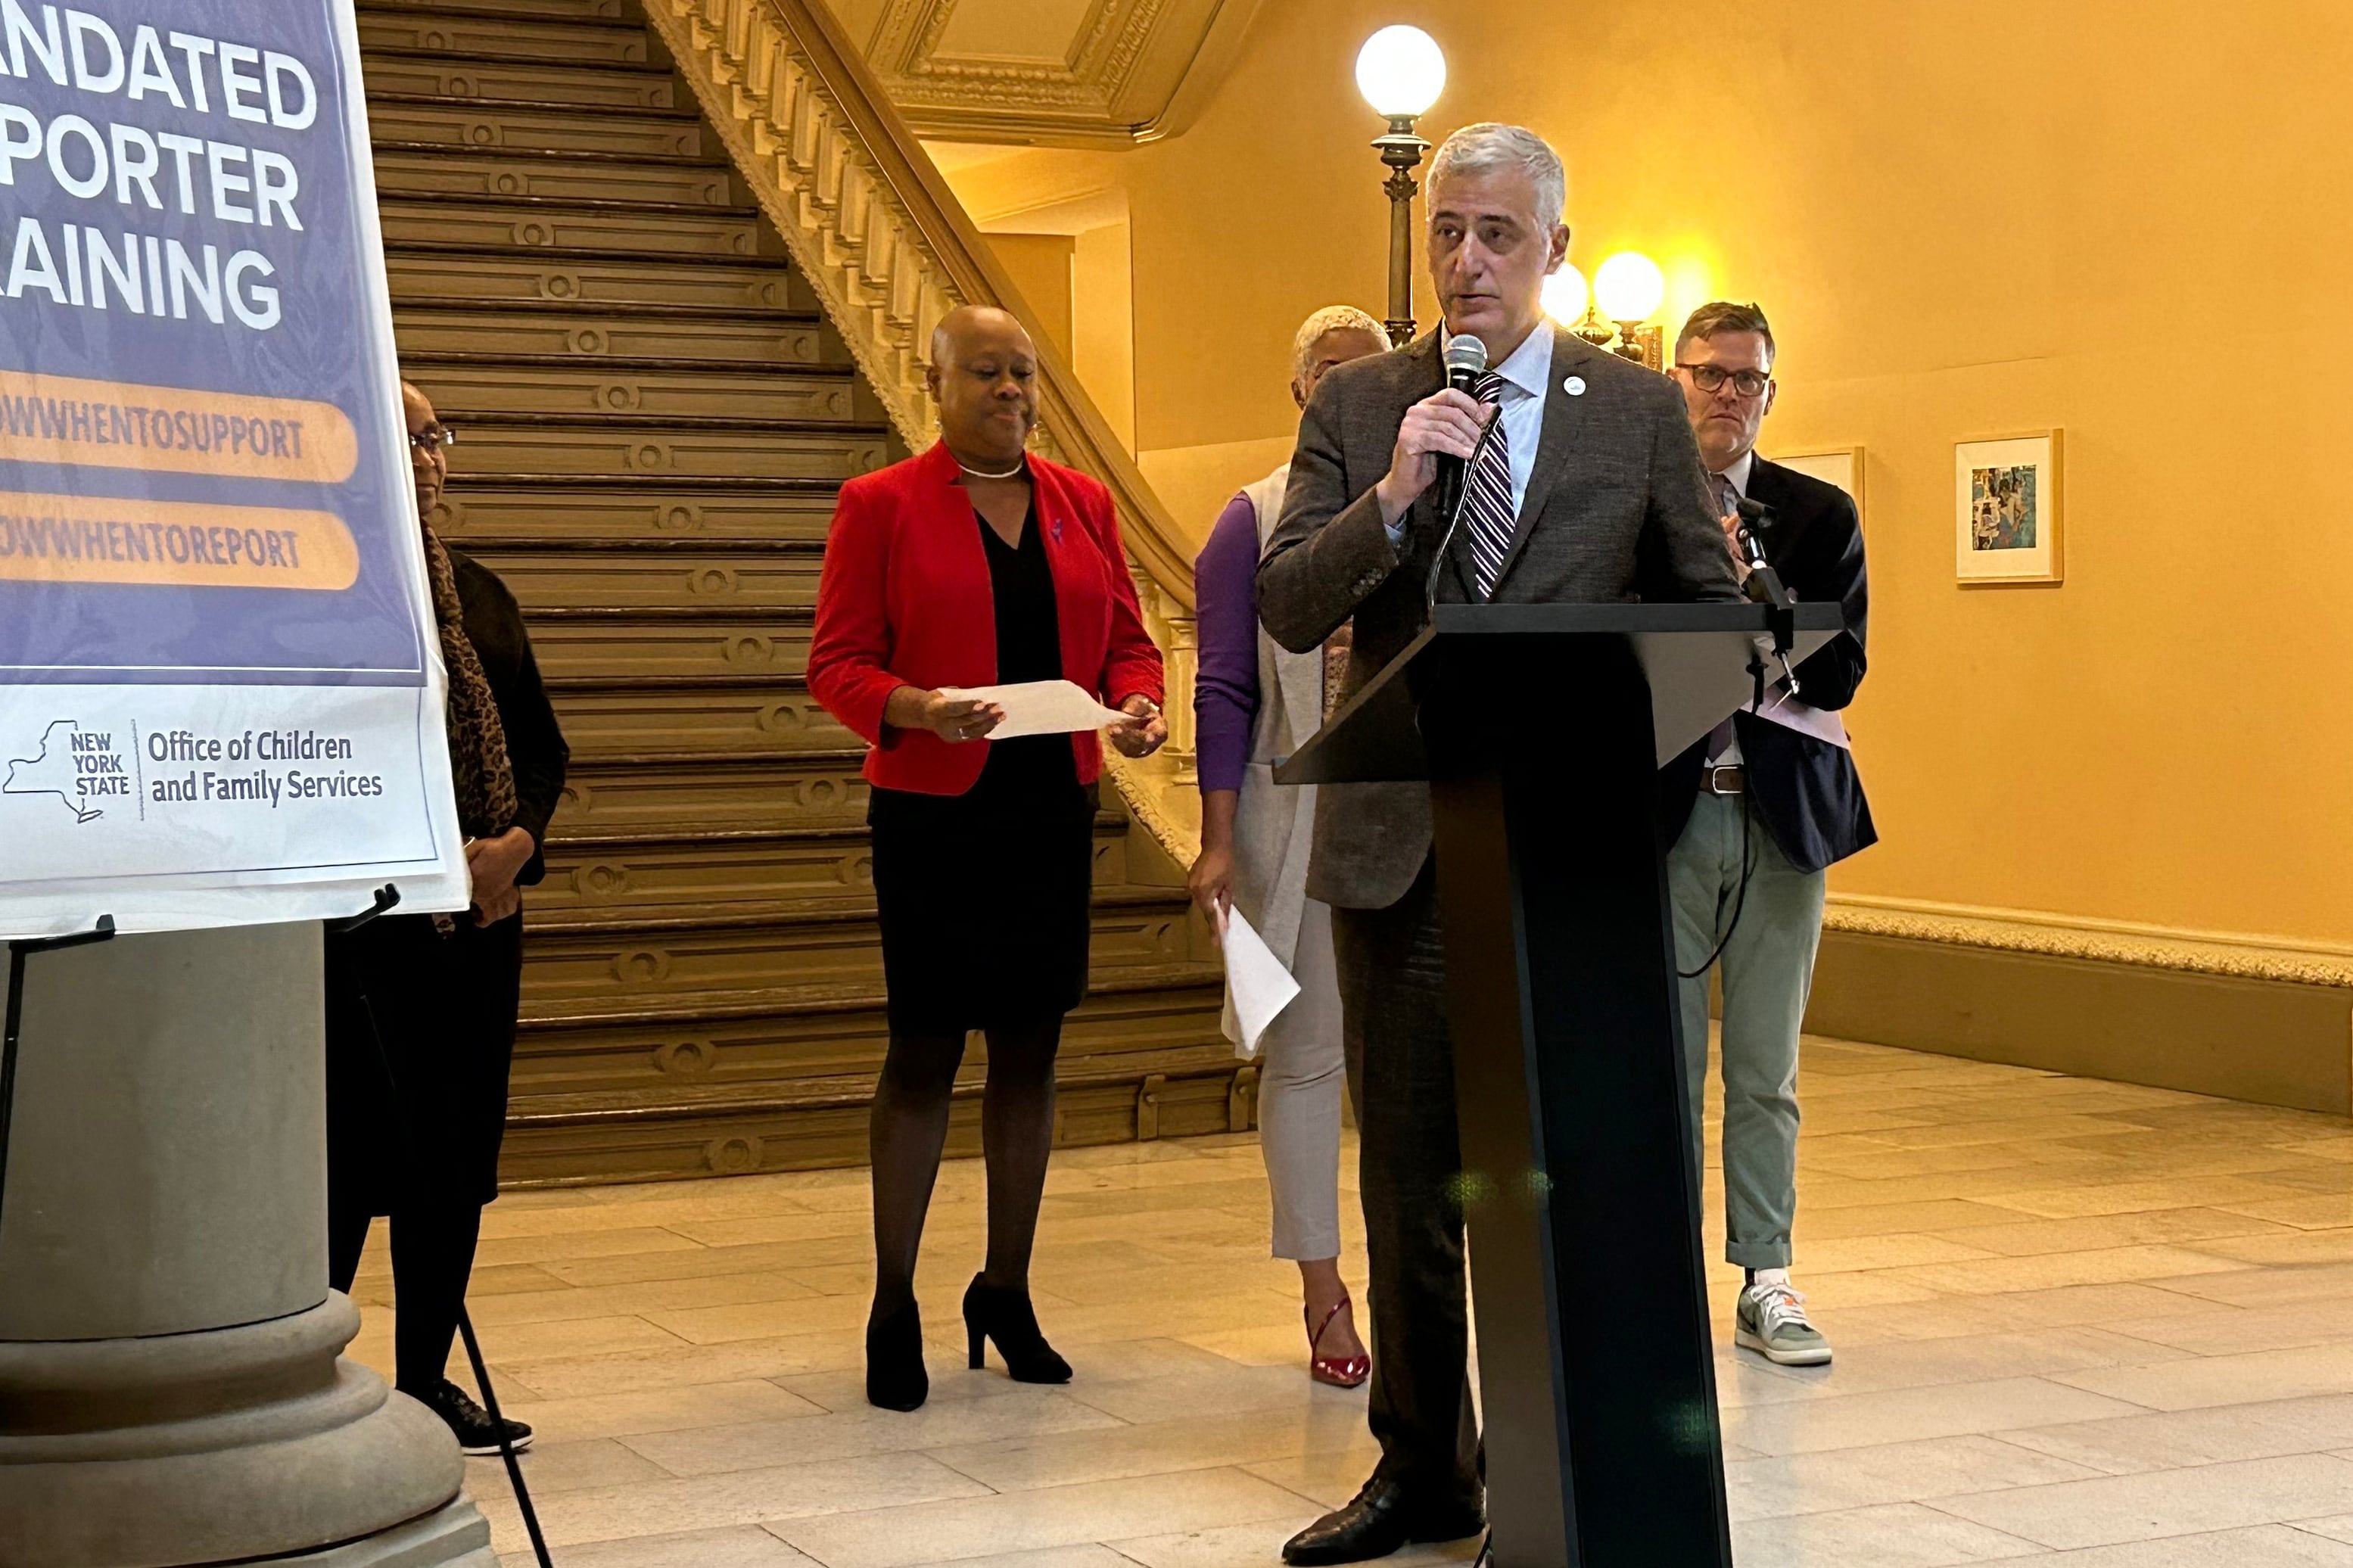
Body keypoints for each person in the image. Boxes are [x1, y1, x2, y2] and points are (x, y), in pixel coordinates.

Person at [1257, 123, 1742, 1566]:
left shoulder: (1637, 409)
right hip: (1405, 846)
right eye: (1446, 233)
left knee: (1558, 1172)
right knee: (1413, 1178)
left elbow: (1703, 616)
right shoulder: (1362, 403)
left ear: (1554, 254)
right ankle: (1423, 1469)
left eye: (1496, 237)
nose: (1465, 260)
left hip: (1571, 857)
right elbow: (1288, 604)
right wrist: (1396, 497)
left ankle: (1560, 1472)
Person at [806, 303, 1168, 1414]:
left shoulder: (1082, 503)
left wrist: (1142, 702)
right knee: (921, 1056)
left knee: (1030, 1053)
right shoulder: (879, 505)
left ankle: (1004, 1289)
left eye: (1024, 375)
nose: (1011, 391)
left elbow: (1125, 638)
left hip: (1045, 812)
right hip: (932, 816)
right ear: (937, 385)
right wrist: (914, 705)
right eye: (987, 374)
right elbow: (837, 664)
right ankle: (893, 1301)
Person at [325, 380, 569, 1455]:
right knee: (337, 1169)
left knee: (453, 1161)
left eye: (437, 438)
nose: (431, 458)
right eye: (407, 438)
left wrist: (516, 846)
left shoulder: (480, 593)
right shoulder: (322, 591)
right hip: (358, 936)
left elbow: (543, 753)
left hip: (477, 921)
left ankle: (426, 1378)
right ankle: (308, 1380)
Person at [1660, 300, 1874, 1367]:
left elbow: (1839, 670)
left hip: (1781, 815)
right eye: (1709, 375)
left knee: (1763, 1065)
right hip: (1664, 814)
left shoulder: (1815, 513)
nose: (1728, 397)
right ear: (1672, 381)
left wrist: (1760, 591)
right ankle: (1654, 1273)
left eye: (1748, 381)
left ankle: (1766, 1276)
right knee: (1658, 1064)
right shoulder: (1630, 507)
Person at [1189, 303, 1391, 1389]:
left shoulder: (1429, 500)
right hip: (1292, 814)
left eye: (1370, 378)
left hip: (1406, 809)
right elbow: (1221, 684)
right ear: (1300, 394)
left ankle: (1424, 1278)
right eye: (1331, 380)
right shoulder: (1252, 517)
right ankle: (1323, 1289)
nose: (1351, 397)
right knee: (1308, 1057)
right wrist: (1218, 841)